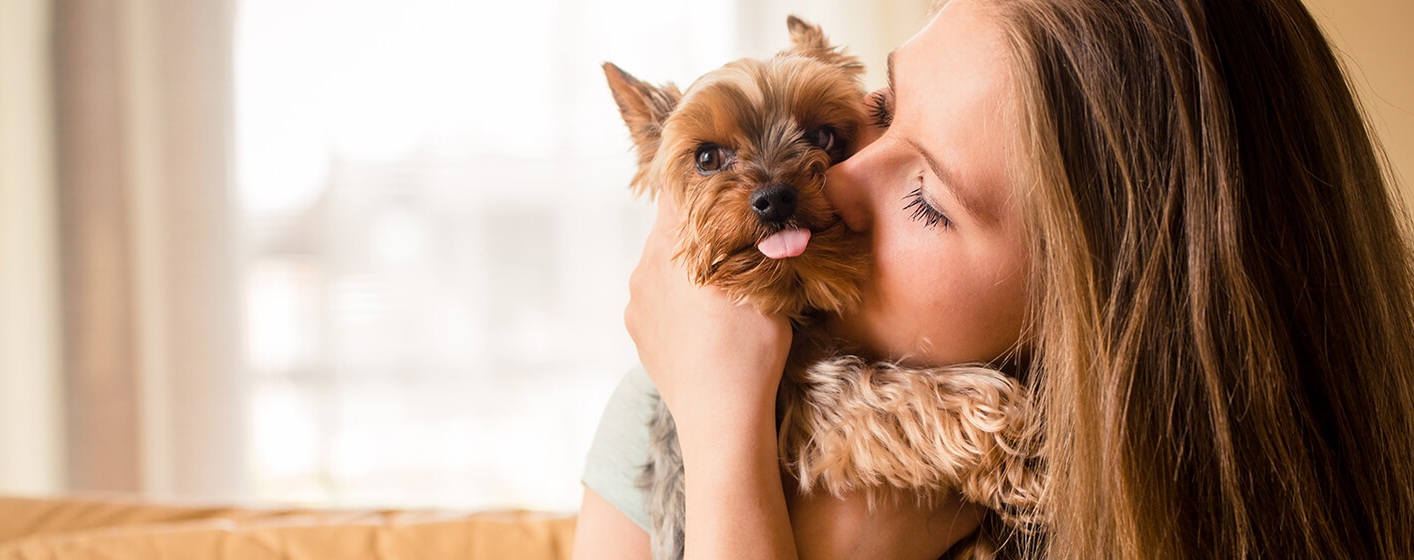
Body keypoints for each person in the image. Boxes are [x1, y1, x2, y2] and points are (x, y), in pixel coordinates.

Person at [573, 0, 1414, 558]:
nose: (835, 179)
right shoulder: (669, 395)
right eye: (883, 113)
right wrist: (726, 443)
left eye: (931, 202)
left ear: (1102, 310)